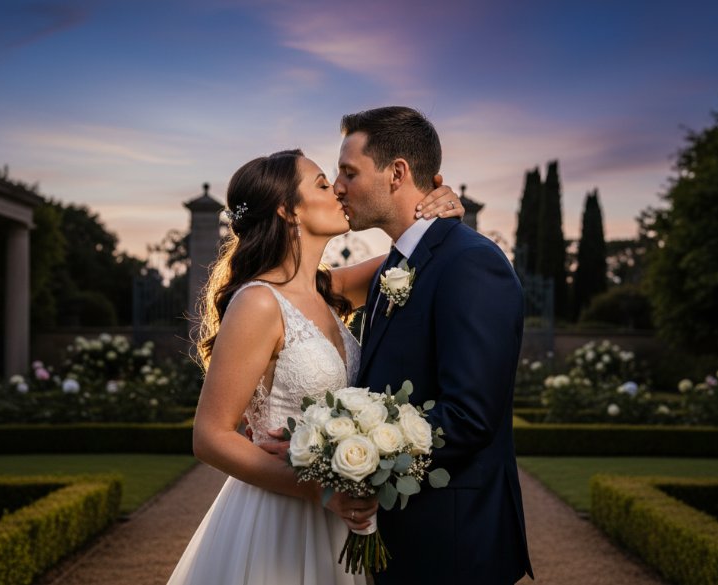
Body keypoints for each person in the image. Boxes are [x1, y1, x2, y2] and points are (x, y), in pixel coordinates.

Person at [165, 148, 464, 584]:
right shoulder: (258, 303)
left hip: (341, 516)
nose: (339, 190)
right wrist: (321, 489)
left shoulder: (329, 290)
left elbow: (419, 254)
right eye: (324, 184)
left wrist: (441, 210)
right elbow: (209, 437)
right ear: (289, 210)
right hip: (281, 515)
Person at [334, 106, 533, 584]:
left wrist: (355, 456)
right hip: (400, 537)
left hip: (451, 542)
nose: (338, 186)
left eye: (348, 171)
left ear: (397, 172)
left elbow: (468, 416)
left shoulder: (471, 264)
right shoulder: (393, 267)